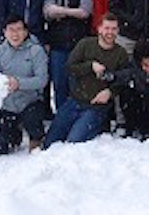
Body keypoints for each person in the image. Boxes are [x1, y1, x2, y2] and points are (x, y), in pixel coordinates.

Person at [44, 14, 129, 147]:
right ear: (99, 29)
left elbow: (124, 79)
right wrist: (90, 66)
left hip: (96, 108)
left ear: (118, 31)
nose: (110, 33)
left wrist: (110, 92)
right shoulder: (85, 44)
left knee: (74, 143)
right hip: (74, 102)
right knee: (50, 142)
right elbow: (69, 68)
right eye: (107, 28)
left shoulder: (121, 53)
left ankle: (97, 127)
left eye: (114, 29)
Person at [0, 16, 48, 154]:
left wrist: (19, 83)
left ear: (25, 32)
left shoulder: (36, 51)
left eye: (19, 30)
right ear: (4, 32)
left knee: (32, 116)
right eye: (11, 30)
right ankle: (14, 134)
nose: (15, 34)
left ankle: (36, 137)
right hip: (7, 104)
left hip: (30, 101)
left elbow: (42, 80)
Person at [44, 0, 93, 109]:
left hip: (79, 42)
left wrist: (61, 11)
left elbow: (85, 12)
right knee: (59, 84)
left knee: (78, 83)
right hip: (57, 43)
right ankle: (61, 116)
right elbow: (48, 12)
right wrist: (73, 12)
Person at [105, 39, 149, 139]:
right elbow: (123, 75)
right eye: (146, 65)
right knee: (126, 92)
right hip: (139, 111)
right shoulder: (134, 71)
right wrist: (112, 77)